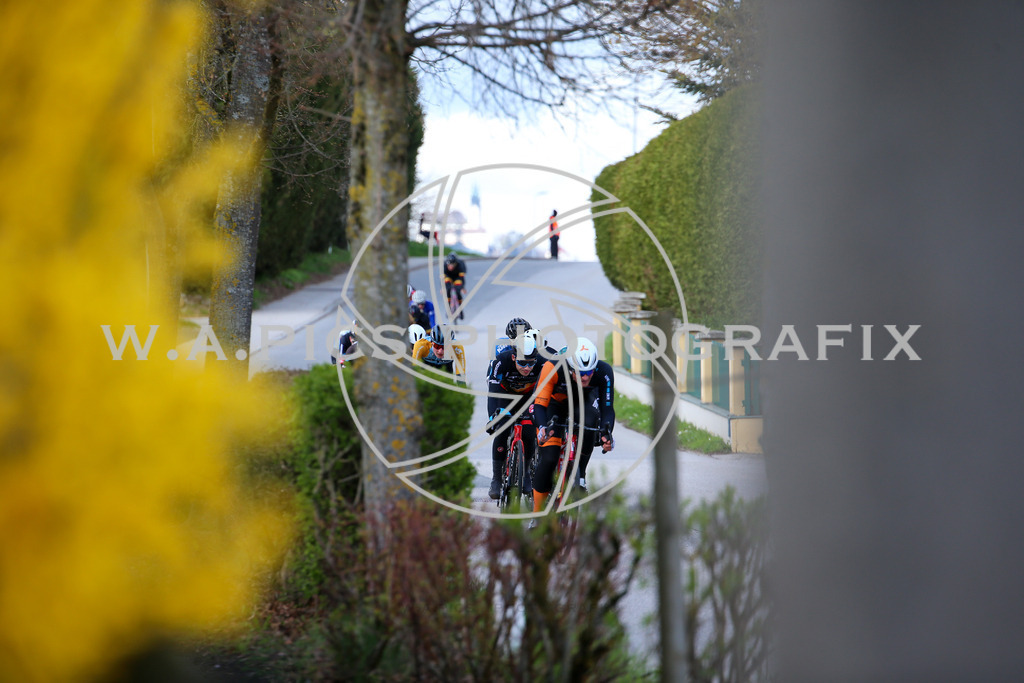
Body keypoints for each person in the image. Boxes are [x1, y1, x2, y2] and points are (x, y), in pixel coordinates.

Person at [531, 336, 615, 510]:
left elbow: (607, 409)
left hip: (582, 404)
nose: (585, 378)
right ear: (569, 367)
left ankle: (580, 475)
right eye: (580, 373)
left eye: (589, 372)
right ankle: (537, 514)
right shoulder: (553, 367)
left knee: (591, 422)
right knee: (550, 457)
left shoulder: (604, 371)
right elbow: (539, 405)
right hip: (554, 405)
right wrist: (542, 428)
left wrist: (606, 434)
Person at [485, 328, 543, 500]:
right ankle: (496, 479)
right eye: (522, 363)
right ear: (513, 357)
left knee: (529, 430)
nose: (527, 368)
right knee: (502, 428)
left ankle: (525, 475)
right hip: (505, 397)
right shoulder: (501, 361)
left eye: (531, 363)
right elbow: (493, 392)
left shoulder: (541, 362)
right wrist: (493, 418)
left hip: (528, 398)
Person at [443, 252, 467, 320]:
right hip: (449, 277)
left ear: (455, 263)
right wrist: (443, 288)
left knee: (458, 291)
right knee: (448, 290)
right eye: (449, 265)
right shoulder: (445, 265)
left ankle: (460, 310)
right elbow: (443, 279)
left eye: (452, 265)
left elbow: (462, 278)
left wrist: (462, 287)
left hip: (457, 277)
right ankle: (449, 309)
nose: (450, 267)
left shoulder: (461, 264)